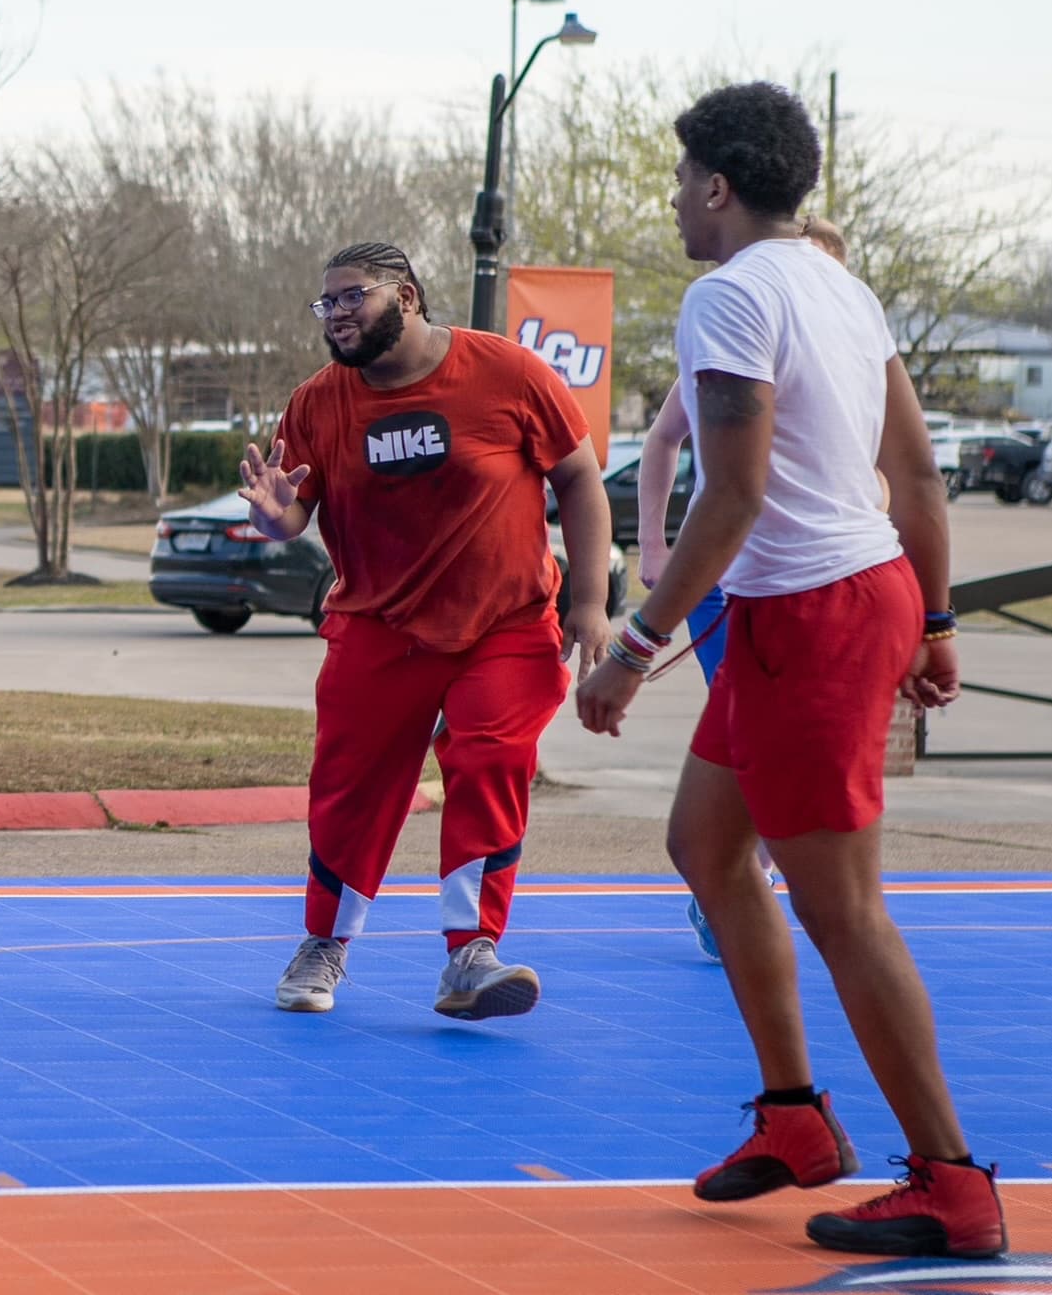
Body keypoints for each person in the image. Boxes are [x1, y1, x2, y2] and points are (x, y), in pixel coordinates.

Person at [576, 82, 1006, 1260]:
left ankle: (954, 1182)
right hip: (829, 605)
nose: (673, 202)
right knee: (706, 847)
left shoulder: (728, 295)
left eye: (679, 182)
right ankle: (795, 1116)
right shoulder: (840, 286)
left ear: (717, 184)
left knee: (841, 905)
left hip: (813, 615)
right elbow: (915, 474)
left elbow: (736, 493)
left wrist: (633, 644)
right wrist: (934, 615)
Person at [241, 241, 613, 1022]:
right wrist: (278, 520)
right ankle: (325, 943)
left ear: (406, 296)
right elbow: (295, 509)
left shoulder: (506, 373)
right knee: (351, 791)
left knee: (488, 757)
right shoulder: (317, 402)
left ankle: (469, 954)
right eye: (327, 302)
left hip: (504, 622)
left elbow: (578, 476)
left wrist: (587, 602)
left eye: (353, 297)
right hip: (379, 624)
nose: (336, 313)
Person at [636, 217, 869, 962]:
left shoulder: (848, 338)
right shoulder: (730, 321)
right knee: (732, 780)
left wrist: (934, 618)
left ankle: (756, 881)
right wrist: (651, 544)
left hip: (815, 587)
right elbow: (679, 452)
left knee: (790, 798)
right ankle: (742, 886)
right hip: (735, 582)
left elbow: (907, 477)